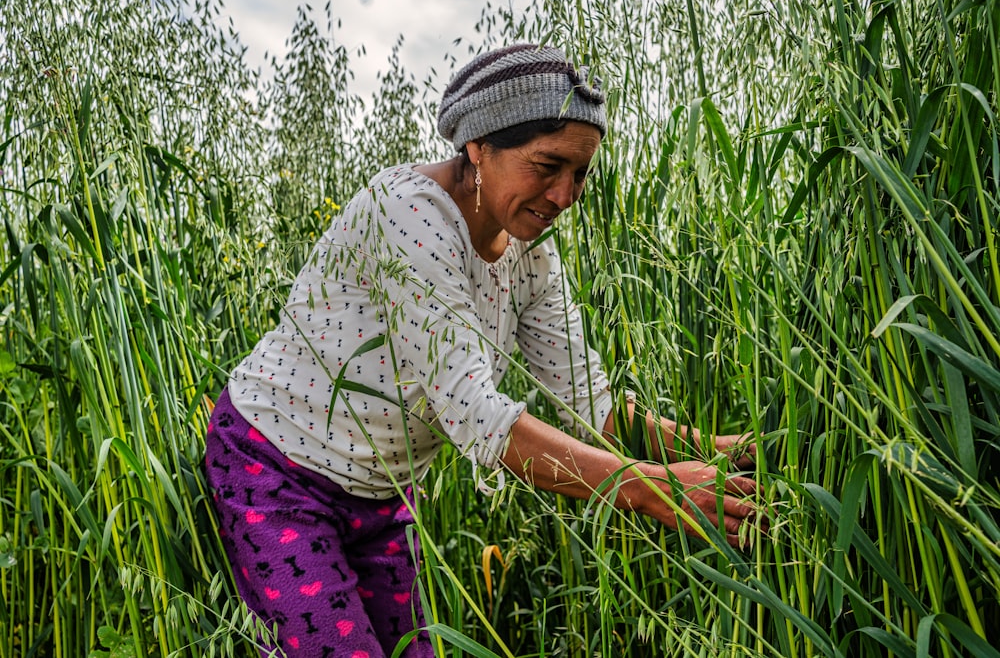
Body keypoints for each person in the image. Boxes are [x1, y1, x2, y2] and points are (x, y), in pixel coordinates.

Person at [204, 43, 762, 658]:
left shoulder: (531, 255)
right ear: (478, 147)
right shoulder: (406, 214)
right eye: (547, 166)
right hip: (278, 472)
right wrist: (651, 489)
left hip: (385, 496)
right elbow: (478, 418)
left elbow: (588, 400)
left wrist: (714, 454)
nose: (564, 195)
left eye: (579, 174)